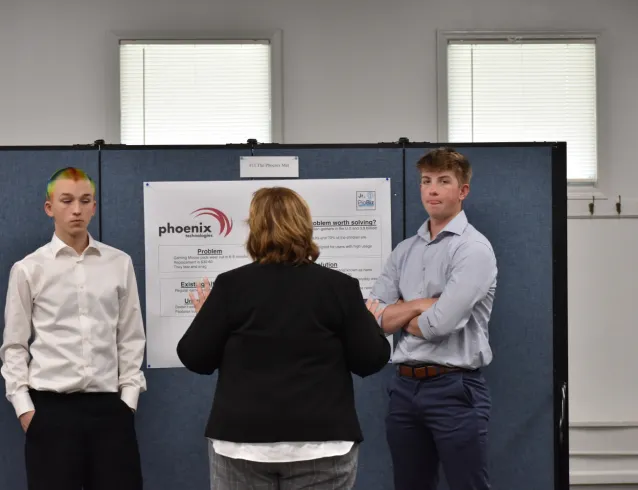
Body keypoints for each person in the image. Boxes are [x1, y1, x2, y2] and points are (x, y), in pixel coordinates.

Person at [176, 186, 391, 490]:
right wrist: (366, 321)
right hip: (323, 445)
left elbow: (195, 358)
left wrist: (207, 318)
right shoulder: (339, 287)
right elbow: (371, 360)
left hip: (242, 445)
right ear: (305, 226)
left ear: (254, 229)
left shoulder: (231, 286)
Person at [0, 167, 147, 490]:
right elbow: (14, 346)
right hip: (50, 412)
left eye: (85, 200)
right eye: (66, 201)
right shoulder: (28, 269)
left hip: (110, 411)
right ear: (49, 207)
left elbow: (131, 337)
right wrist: (25, 410)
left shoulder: (118, 263)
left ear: (95, 206)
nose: (76, 210)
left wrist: (128, 400)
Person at [367, 147, 498, 490]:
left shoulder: (473, 250)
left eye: (443, 181)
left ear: (462, 190)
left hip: (454, 389)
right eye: (426, 181)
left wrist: (401, 311)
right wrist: (423, 303)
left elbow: (438, 327)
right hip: (404, 389)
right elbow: (373, 317)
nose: (433, 190)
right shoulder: (405, 250)